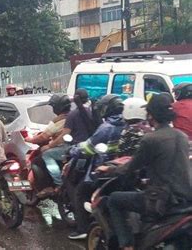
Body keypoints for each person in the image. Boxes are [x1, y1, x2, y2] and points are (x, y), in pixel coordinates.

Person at [96, 93, 192, 250]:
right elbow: (170, 165)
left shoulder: (150, 139)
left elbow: (131, 167)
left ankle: (127, 245)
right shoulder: (182, 137)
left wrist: (109, 169)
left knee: (113, 200)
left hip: (160, 199)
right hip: (186, 198)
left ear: (151, 115)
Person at [68, 94, 125, 240]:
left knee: (80, 192)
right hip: (124, 170)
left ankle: (82, 229)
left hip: (103, 170)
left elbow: (88, 148)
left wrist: (73, 149)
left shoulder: (107, 127)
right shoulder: (128, 124)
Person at [39, 89, 97, 193]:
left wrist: (49, 146)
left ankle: (58, 183)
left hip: (75, 148)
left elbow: (64, 135)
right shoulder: (92, 112)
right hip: (91, 147)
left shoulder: (73, 115)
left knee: (47, 155)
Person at [25, 94, 72, 195]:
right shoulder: (74, 115)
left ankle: (54, 185)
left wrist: (29, 139)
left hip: (65, 148)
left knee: (40, 159)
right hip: (74, 146)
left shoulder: (59, 119)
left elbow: (43, 137)